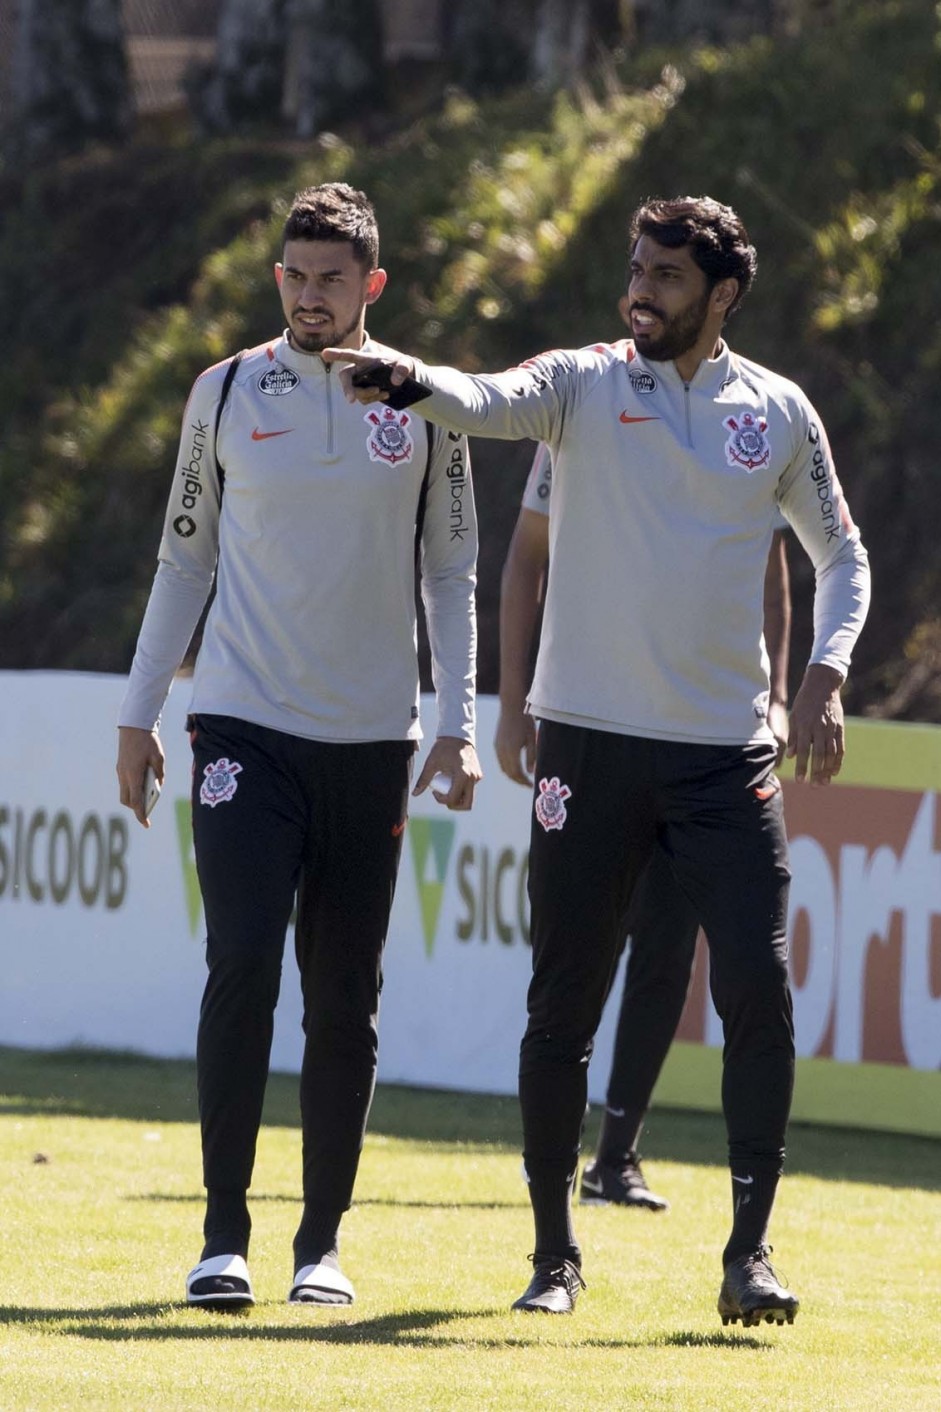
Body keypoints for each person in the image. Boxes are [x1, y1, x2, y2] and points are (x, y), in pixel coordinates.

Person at [325, 194, 870, 1326]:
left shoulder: (774, 413)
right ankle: (551, 1255)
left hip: (726, 757)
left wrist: (820, 675)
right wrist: (404, 375)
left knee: (758, 991)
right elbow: (485, 399)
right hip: (588, 746)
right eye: (635, 269)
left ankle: (749, 1254)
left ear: (718, 295)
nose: (640, 292)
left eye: (665, 278)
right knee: (560, 1002)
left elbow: (842, 556)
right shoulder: (582, 379)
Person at [116, 182, 481, 1312]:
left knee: (345, 997)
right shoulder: (224, 389)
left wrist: (459, 724)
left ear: (371, 285)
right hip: (241, 727)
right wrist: (138, 715)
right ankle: (221, 1231)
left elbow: (450, 574)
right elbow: (185, 559)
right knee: (240, 966)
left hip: (371, 739)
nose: (308, 296)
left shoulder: (424, 404)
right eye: (293, 276)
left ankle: (319, 1243)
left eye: (330, 279)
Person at [496, 440, 792, 1213]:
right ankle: (553, 1209)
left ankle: (616, 1154)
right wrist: (511, 703)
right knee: (572, 974)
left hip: (703, 750)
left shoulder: (745, 423)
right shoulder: (578, 409)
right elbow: (527, 558)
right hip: (594, 740)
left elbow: (772, 574)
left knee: (666, 955)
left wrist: (783, 694)